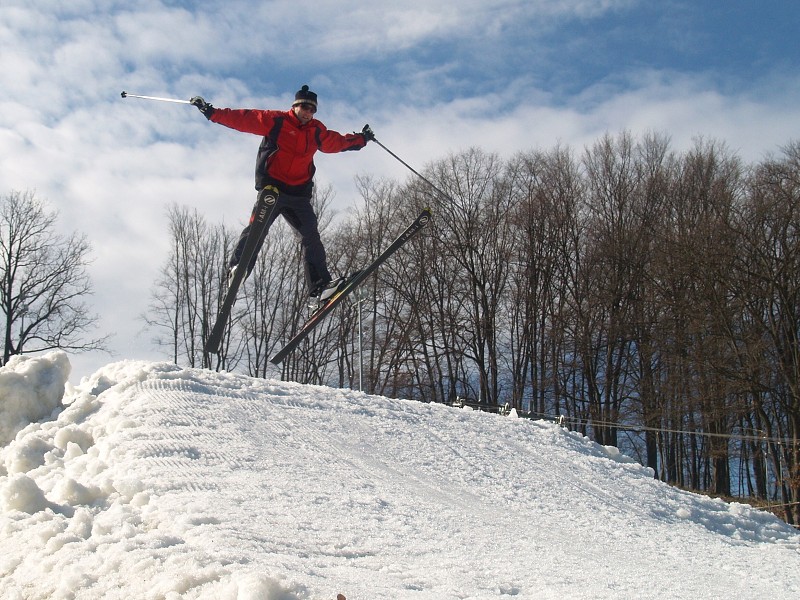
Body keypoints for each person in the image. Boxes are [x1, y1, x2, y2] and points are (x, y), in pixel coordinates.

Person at [190, 85, 374, 301]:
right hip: (273, 188)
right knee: (258, 228)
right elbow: (244, 119)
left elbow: (337, 142)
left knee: (310, 235)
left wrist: (362, 139)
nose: (308, 113)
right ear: (295, 106)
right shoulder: (276, 121)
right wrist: (211, 112)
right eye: (304, 108)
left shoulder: (316, 131)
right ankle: (238, 269)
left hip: (298, 194)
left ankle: (320, 286)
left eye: (312, 110)